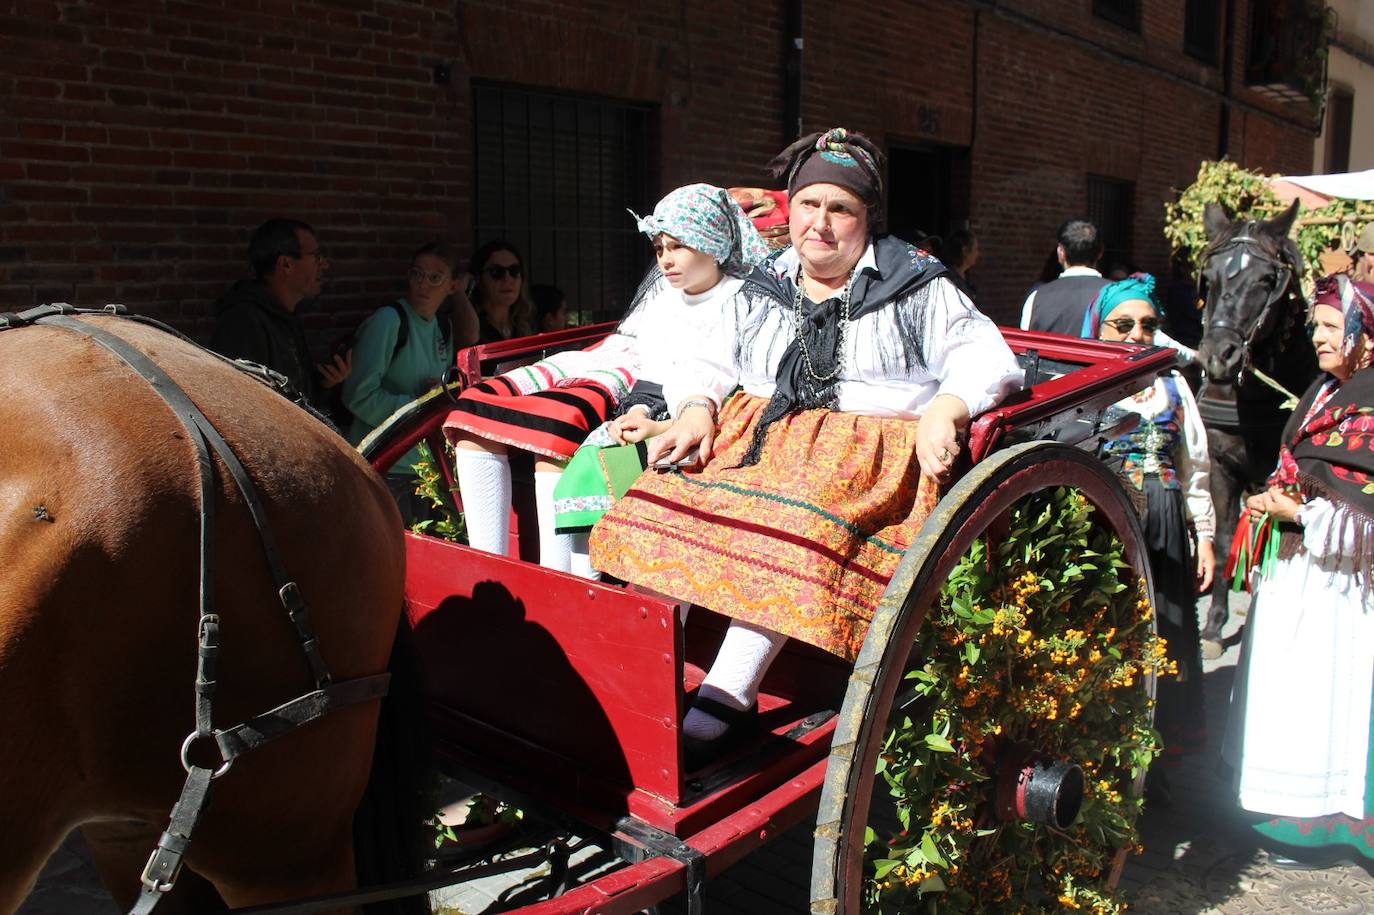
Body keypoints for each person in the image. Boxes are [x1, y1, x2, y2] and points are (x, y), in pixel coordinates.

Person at [589, 128, 1024, 765]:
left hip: (862, 454)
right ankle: (641, 668)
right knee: (662, 499)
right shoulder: (763, 281)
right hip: (757, 430)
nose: (820, 223)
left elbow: (986, 359)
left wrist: (947, 410)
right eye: (808, 204)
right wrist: (692, 408)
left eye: (840, 208)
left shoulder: (917, 284)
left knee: (790, 517)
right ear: (788, 209)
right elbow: (707, 357)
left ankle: (729, 691)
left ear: (867, 219)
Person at [443, 184, 769, 577]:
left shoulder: (746, 300)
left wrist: (652, 414)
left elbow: (726, 381)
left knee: (559, 433)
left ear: (712, 242)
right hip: (633, 375)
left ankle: (556, 580)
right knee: (483, 405)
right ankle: (486, 569)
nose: (665, 260)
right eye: (660, 248)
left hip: (682, 411)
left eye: (678, 246)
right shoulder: (662, 296)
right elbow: (643, 351)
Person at [1226, 274, 1374, 867]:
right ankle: (1284, 810)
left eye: (1333, 327)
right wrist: (1274, 502)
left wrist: (1302, 513)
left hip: (1342, 591)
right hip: (1298, 573)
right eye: (1317, 325)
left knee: (1325, 699)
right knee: (1290, 697)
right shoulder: (1322, 392)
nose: (1319, 337)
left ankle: (1327, 822)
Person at [1083, 273, 1216, 801]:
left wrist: (1203, 535)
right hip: (1103, 523)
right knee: (1109, 637)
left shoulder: (1173, 384)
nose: (1138, 334)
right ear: (1101, 327)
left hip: (1162, 522)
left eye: (1149, 324)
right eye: (1125, 324)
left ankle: (1152, 761)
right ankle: (1096, 753)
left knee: (1162, 637)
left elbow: (1196, 464)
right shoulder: (1082, 378)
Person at [342, 242, 466, 519]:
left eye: (435, 278)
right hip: (383, 465)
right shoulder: (389, 321)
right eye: (417, 274)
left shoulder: (442, 327)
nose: (424, 284)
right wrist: (419, 407)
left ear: (453, 286)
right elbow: (358, 396)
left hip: (424, 470)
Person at [210, 218, 351, 407]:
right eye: (316, 256)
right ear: (286, 264)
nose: (324, 265)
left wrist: (324, 384)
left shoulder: (285, 318)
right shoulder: (243, 323)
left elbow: (297, 401)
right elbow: (241, 407)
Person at [1019, 218, 1110, 335]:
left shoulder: (1036, 297)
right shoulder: (1117, 294)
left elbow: (1026, 345)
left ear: (1060, 252)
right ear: (1100, 252)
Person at [471, 240, 534, 343]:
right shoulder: (471, 327)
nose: (507, 279)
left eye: (514, 270)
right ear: (478, 279)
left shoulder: (525, 326)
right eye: (496, 271)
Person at [941, 227, 979, 302]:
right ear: (965, 251)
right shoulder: (949, 281)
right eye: (976, 249)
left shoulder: (966, 278)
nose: (977, 254)